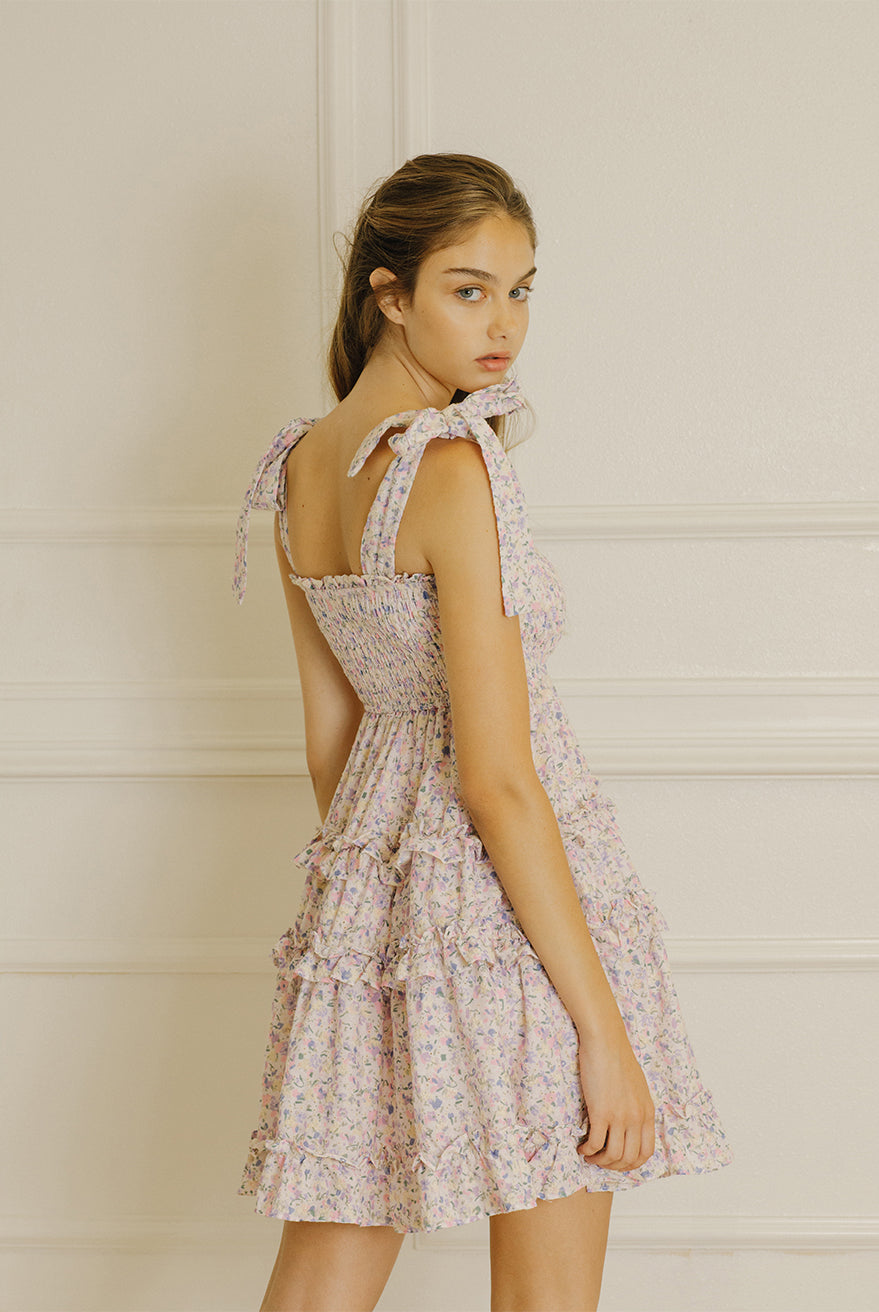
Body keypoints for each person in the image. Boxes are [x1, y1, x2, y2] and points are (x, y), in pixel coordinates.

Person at [233, 152, 732, 1312]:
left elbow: (335, 741)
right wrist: (600, 1030)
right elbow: (499, 781)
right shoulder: (453, 465)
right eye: (468, 289)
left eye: (521, 289)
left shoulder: (302, 469)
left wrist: (392, 919)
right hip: (518, 919)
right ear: (388, 294)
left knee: (320, 1280)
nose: (504, 324)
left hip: (374, 913)